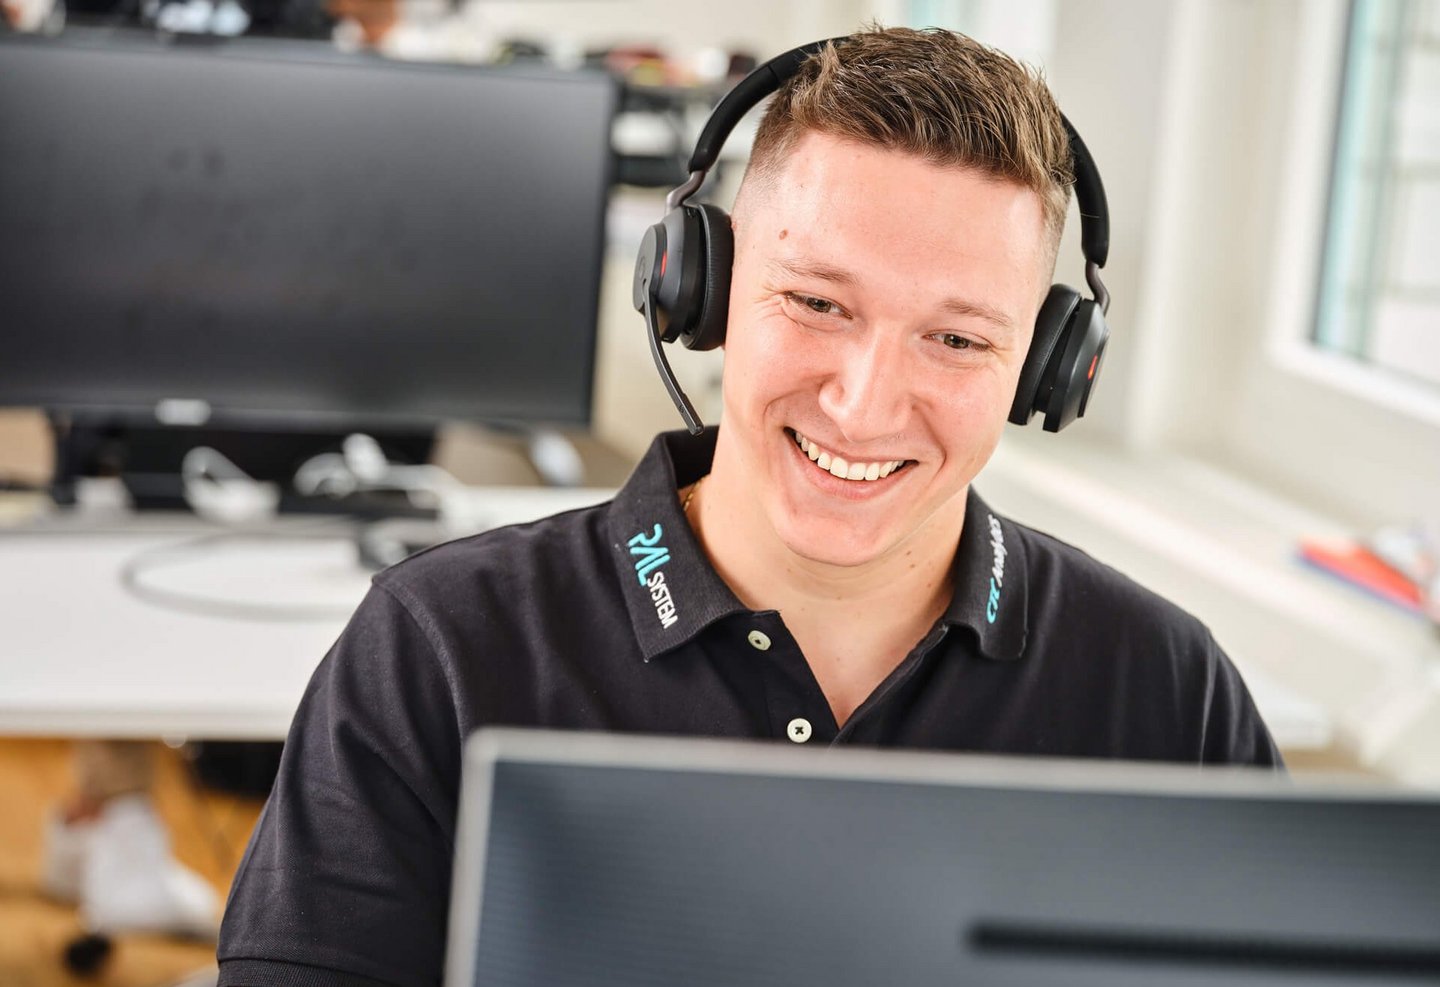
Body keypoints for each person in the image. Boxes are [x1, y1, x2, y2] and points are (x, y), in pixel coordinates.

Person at [217, 26, 1281, 987]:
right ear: (706, 295)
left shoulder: (1165, 694)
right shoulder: (439, 647)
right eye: (817, 303)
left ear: (1045, 371)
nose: (864, 405)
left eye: (957, 339)